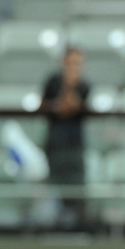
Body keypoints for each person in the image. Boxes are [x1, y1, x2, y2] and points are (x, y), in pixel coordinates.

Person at [39, 46, 90, 228]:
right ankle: (51, 226)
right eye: (71, 62)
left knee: (76, 188)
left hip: (75, 144)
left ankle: (79, 226)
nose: (74, 66)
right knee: (53, 188)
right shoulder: (53, 82)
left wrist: (70, 87)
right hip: (54, 143)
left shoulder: (84, 85)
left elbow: (71, 106)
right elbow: (45, 106)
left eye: (78, 63)